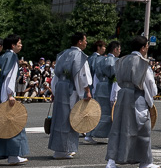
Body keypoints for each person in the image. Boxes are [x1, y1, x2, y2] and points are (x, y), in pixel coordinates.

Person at [104, 35, 159, 168]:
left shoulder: (121, 60)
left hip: (122, 95)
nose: (147, 48)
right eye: (146, 46)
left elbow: (117, 81)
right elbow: (150, 84)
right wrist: (152, 96)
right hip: (137, 96)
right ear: (142, 48)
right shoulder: (142, 62)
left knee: (118, 128)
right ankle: (145, 161)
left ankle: (111, 161)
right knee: (143, 130)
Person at [0, 34, 29, 166]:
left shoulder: (1, 57)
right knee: (11, 121)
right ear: (13, 45)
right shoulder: (12, 56)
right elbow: (9, 77)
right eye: (19, 43)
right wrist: (10, 95)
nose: (21, 45)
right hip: (3, 93)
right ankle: (13, 155)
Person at [49, 31, 93, 159]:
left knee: (59, 117)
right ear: (79, 41)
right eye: (85, 40)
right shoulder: (80, 56)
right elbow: (82, 75)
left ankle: (58, 149)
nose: (86, 42)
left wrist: (54, 90)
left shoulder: (63, 54)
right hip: (71, 89)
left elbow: (56, 75)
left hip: (60, 86)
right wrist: (87, 90)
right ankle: (65, 148)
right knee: (70, 117)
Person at [86, 40, 120, 144]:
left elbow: (95, 76)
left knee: (97, 112)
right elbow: (116, 79)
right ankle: (109, 134)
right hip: (109, 88)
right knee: (110, 113)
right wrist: (115, 94)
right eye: (119, 49)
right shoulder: (115, 61)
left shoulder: (100, 60)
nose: (120, 51)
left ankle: (89, 134)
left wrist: (95, 89)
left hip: (100, 86)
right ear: (115, 50)